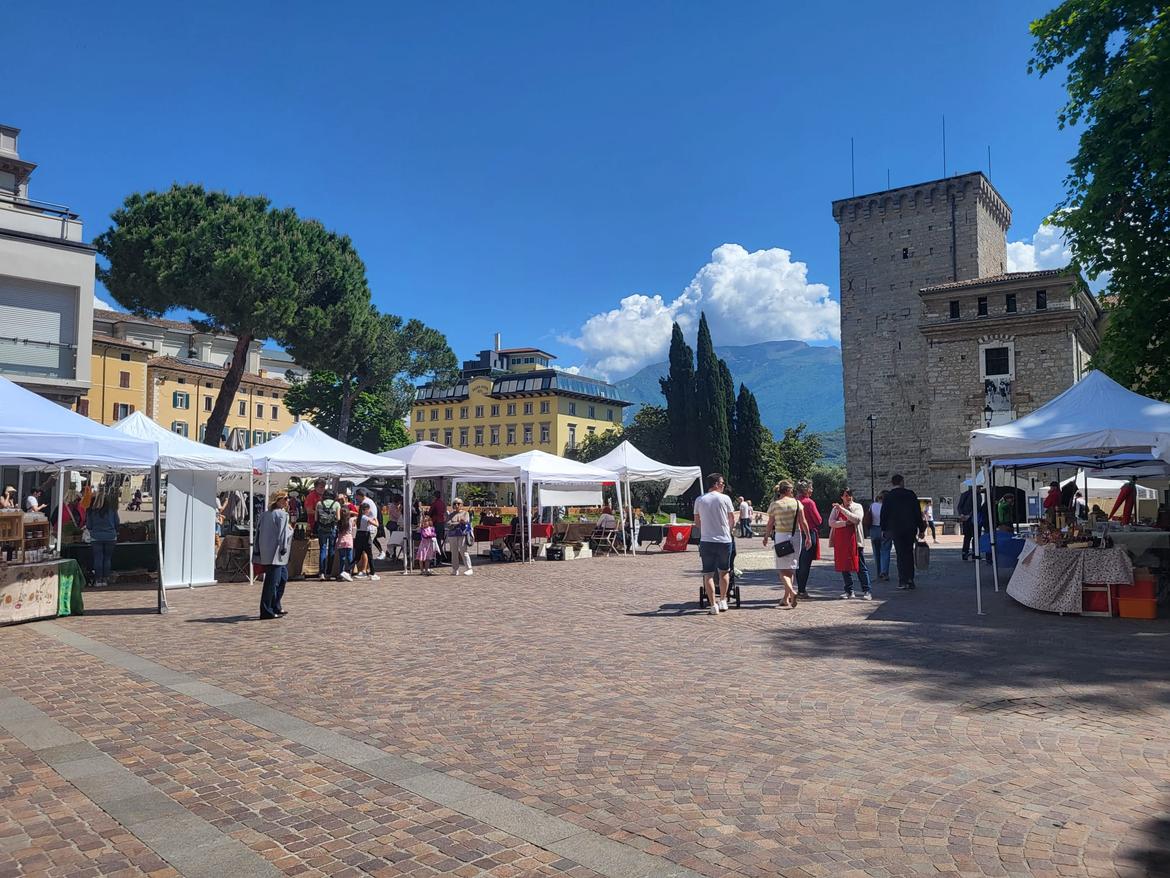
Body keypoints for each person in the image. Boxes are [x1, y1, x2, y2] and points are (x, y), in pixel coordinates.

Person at [693, 473, 736, 615]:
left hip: (707, 540)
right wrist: (728, 529)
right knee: (724, 571)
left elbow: (697, 522)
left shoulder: (699, 500)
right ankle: (723, 599)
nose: (723, 485)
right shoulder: (725, 499)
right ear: (716, 484)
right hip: (724, 540)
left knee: (708, 573)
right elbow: (732, 519)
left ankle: (712, 605)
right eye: (722, 483)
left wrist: (706, 528)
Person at [764, 480, 811, 609]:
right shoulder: (797, 503)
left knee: (782, 570)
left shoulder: (775, 505)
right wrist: (808, 536)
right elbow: (803, 521)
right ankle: (786, 598)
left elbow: (770, 523)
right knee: (791, 568)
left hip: (781, 536)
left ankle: (791, 592)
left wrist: (766, 536)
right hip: (796, 536)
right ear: (789, 490)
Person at [880, 474, 925, 590]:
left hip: (896, 529)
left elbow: (884, 514)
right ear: (902, 482)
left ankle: (902, 580)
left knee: (900, 554)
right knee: (909, 553)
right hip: (910, 528)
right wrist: (922, 528)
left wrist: (884, 529)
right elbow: (917, 512)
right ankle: (910, 579)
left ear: (892, 483)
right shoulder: (910, 494)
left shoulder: (889, 497)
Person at [829, 487, 872, 600]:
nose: (848, 497)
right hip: (842, 542)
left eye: (850, 495)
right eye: (846, 495)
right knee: (844, 567)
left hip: (856, 541)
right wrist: (844, 523)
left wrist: (843, 510)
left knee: (860, 566)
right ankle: (849, 591)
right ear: (842, 497)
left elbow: (857, 519)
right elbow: (831, 522)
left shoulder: (857, 507)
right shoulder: (836, 509)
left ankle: (867, 591)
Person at [256, 492, 292, 619]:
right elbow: (283, 534)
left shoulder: (265, 515)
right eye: (285, 499)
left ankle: (275, 605)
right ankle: (267, 610)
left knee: (282, 578)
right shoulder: (282, 515)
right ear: (278, 500)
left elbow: (258, 533)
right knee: (272, 582)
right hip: (276, 553)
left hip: (267, 551)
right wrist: (283, 548)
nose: (288, 501)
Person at [86, 489, 120, 588]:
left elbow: (89, 525)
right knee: (107, 558)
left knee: (98, 558)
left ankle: (98, 579)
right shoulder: (112, 510)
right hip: (110, 536)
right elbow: (117, 522)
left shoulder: (92, 511)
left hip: (96, 537)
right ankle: (105, 578)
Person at [794, 480, 821, 598]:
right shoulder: (809, 502)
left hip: (795, 533)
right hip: (808, 533)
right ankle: (801, 590)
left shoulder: (794, 501)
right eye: (810, 488)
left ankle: (799, 587)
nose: (812, 490)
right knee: (805, 563)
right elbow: (818, 520)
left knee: (798, 562)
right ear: (806, 490)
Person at [351, 488, 380, 581]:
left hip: (365, 532)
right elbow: (376, 523)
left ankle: (360, 569)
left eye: (357, 496)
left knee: (360, 554)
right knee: (366, 553)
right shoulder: (365, 516)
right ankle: (366, 571)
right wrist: (375, 519)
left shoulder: (362, 512)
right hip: (366, 533)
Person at [314, 489, 341, 581]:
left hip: (321, 528)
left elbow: (316, 518)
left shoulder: (319, 503)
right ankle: (329, 572)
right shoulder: (336, 504)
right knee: (331, 549)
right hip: (332, 528)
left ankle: (321, 572)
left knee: (322, 549)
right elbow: (338, 518)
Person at [445, 498, 474, 575]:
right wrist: (458, 523)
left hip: (462, 534)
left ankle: (469, 568)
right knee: (454, 552)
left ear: (462, 505)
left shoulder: (465, 513)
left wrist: (456, 523)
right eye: (455, 504)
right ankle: (455, 569)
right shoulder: (451, 514)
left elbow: (466, 522)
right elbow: (448, 524)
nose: (456, 505)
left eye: (458, 503)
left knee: (463, 551)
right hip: (452, 535)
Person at [868, 491, 891, 580]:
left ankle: (878, 573)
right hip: (885, 529)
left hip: (873, 529)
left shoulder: (872, 505)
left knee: (876, 552)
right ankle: (884, 572)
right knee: (885, 551)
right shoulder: (888, 507)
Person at [336, 506, 355, 581]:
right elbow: (357, 515)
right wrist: (351, 512)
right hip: (349, 539)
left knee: (342, 558)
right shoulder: (350, 520)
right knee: (349, 557)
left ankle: (341, 572)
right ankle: (349, 572)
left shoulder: (339, 521)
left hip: (341, 539)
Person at [430, 491, 448, 562]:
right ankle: (440, 557)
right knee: (439, 540)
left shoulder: (434, 503)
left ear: (434, 496)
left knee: (435, 541)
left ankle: (437, 557)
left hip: (436, 523)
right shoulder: (443, 503)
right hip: (442, 523)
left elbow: (430, 513)